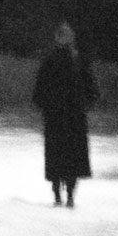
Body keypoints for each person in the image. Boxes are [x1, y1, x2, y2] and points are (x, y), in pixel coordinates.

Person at [32, 22, 96, 207]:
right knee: (70, 154)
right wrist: (86, 102)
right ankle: (65, 194)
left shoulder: (54, 60)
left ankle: (62, 194)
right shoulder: (75, 60)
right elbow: (91, 87)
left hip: (60, 115)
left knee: (58, 154)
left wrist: (44, 104)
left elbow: (40, 89)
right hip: (70, 115)